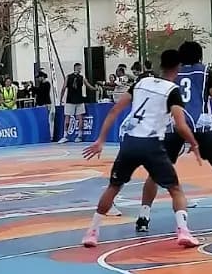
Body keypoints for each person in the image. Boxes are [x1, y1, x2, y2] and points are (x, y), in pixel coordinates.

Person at [81, 49, 201, 249]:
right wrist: (194, 143)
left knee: (114, 186)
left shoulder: (141, 83)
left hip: (130, 142)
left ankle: (92, 232)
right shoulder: (172, 90)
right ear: (178, 67)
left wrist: (100, 140)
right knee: (175, 189)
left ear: (160, 64)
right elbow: (180, 125)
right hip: (152, 144)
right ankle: (183, 231)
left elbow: (114, 111)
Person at [135, 42, 212, 231]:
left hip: (175, 125)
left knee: (156, 172)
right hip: (200, 126)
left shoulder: (172, 73)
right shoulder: (205, 71)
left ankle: (143, 217)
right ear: (199, 56)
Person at [59, 62, 94, 143]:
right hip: (77, 100)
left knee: (69, 117)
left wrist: (61, 98)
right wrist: (95, 88)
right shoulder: (81, 77)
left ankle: (66, 136)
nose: (80, 69)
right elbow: (89, 86)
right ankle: (79, 136)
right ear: (76, 68)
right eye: (80, 68)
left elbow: (63, 88)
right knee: (79, 117)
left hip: (71, 100)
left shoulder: (68, 77)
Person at [35, 71, 54, 137]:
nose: (38, 79)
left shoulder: (46, 84)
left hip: (45, 104)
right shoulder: (41, 84)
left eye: (39, 77)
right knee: (41, 120)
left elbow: (42, 92)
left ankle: (50, 135)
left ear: (42, 77)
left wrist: (35, 89)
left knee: (47, 120)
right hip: (40, 104)